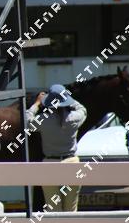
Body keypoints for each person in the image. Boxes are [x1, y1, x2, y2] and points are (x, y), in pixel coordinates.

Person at [26, 84, 87, 212]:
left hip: (50, 163)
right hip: (71, 162)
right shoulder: (75, 117)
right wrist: (68, 99)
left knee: (53, 208)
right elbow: (83, 109)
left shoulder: (43, 120)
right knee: (71, 209)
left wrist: (37, 104)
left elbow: (28, 122)